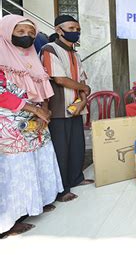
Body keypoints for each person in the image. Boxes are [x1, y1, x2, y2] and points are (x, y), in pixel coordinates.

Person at [0, 15, 63, 238]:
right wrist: (35, 109)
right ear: (7, 33)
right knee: (16, 168)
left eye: (30, 33)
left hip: (35, 121)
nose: (26, 37)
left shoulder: (31, 57)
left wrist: (43, 108)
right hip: (10, 124)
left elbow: (41, 85)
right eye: (20, 32)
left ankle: (37, 202)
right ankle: (9, 220)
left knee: (39, 159)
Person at [41, 15, 93, 202]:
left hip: (76, 107)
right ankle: (62, 189)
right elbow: (60, 79)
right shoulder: (49, 50)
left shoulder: (75, 54)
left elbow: (83, 81)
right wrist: (83, 89)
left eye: (78, 29)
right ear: (58, 30)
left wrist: (83, 100)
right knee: (61, 150)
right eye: (71, 28)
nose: (76, 32)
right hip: (59, 109)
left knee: (76, 146)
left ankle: (76, 178)